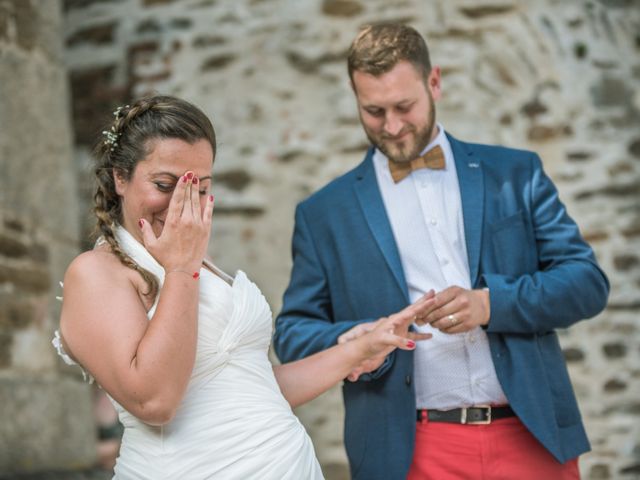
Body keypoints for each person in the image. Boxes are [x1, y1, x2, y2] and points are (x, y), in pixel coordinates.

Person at [273, 23, 610, 480]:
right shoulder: (323, 214)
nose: (391, 126)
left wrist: (491, 303)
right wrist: (360, 338)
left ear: (434, 82)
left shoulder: (515, 173)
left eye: (404, 106)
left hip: (530, 436)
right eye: (373, 111)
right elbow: (292, 334)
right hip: (410, 451)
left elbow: (587, 284)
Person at [52, 94, 433, 479]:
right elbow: (155, 400)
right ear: (121, 177)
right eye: (165, 184)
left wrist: (359, 350)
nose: (182, 203)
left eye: (199, 187)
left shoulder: (199, 263)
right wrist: (181, 269)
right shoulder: (97, 273)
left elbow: (252, 386)